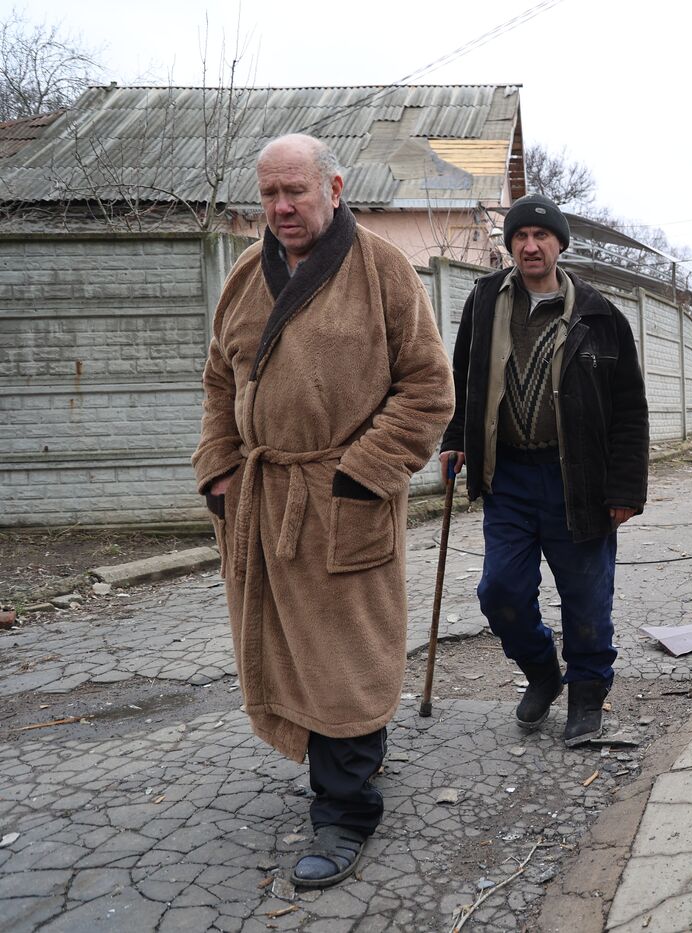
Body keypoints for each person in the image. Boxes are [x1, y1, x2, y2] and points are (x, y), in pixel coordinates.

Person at [192, 133, 454, 888]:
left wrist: (362, 473)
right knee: (286, 646)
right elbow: (217, 382)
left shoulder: (383, 270)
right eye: (268, 194)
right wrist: (220, 468)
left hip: (343, 497)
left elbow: (428, 389)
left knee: (346, 655)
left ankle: (345, 811)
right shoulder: (247, 275)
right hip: (263, 499)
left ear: (332, 186)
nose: (280, 208)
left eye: (294, 192)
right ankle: (348, 759)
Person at [439, 193, 648, 747]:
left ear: (559, 244)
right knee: (499, 591)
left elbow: (629, 408)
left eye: (541, 236)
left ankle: (587, 695)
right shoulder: (485, 300)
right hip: (507, 475)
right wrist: (455, 440)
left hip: (577, 478)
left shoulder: (600, 314)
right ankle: (541, 672)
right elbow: (464, 377)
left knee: (586, 597)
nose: (530, 246)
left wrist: (626, 487)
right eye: (520, 237)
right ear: (509, 245)